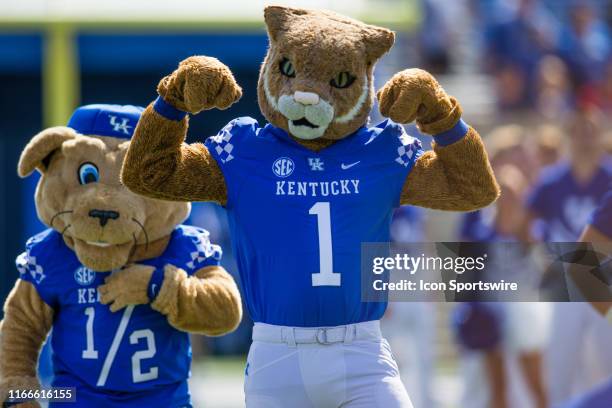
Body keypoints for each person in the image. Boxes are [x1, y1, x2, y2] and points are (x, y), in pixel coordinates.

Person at [525, 108, 612, 404]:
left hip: (605, 277)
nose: (586, 137)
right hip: (565, 276)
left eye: (591, 129)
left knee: (605, 362)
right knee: (561, 362)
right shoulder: (552, 180)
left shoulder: (609, 175)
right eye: (579, 129)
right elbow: (524, 221)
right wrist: (538, 251)